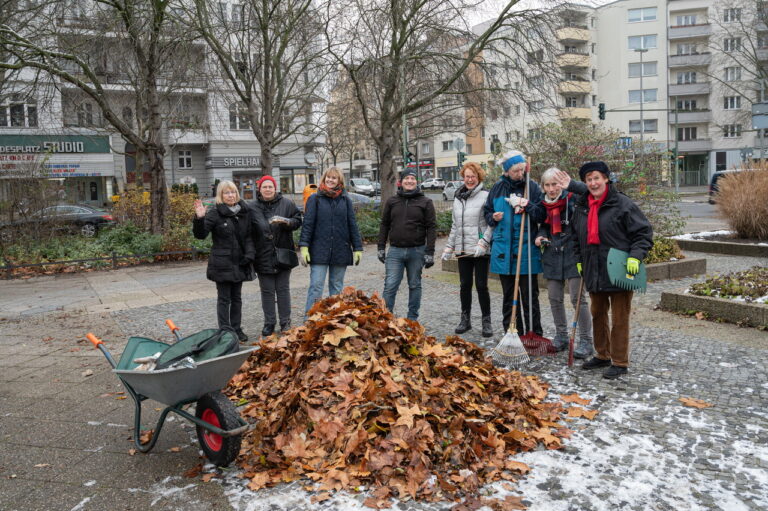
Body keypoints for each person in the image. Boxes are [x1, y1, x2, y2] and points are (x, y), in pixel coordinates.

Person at [571, 161, 653, 379]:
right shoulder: (581, 207)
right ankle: (602, 354)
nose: (593, 183)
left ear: (606, 179)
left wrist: (635, 257)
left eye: (597, 178)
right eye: (588, 179)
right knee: (597, 314)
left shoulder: (622, 204)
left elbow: (643, 233)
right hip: (593, 270)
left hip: (619, 268)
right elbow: (575, 238)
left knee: (619, 318)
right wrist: (579, 260)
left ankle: (619, 361)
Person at [483, 150, 546, 335]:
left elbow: (542, 214)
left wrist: (527, 205)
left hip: (526, 252)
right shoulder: (497, 188)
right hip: (503, 252)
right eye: (516, 171)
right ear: (506, 171)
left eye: (522, 170)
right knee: (509, 297)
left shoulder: (531, 187)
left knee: (530, 297)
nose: (520, 174)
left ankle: (534, 334)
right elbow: (487, 212)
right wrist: (492, 217)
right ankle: (512, 333)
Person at [535, 167, 593, 358]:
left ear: (562, 184)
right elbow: (544, 225)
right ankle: (561, 335)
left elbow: (590, 192)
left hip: (573, 254)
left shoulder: (573, 199)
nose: (551, 189)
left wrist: (573, 185)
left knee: (578, 299)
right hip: (552, 254)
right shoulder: (544, 204)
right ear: (543, 186)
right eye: (548, 185)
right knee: (554, 297)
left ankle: (586, 341)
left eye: (555, 184)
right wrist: (541, 236)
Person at [193, 180, 255, 342]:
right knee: (224, 299)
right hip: (222, 263)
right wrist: (199, 218)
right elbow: (201, 235)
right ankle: (225, 331)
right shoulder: (215, 213)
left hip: (240, 262)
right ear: (221, 195)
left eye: (233, 192)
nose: (231, 195)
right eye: (227, 193)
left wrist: (249, 254)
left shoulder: (244, 212)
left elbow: (249, 236)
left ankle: (236, 328)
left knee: (237, 298)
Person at [299, 167, 363, 314]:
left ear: (339, 180)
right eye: (328, 177)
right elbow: (308, 224)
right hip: (319, 250)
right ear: (324, 179)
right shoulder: (315, 199)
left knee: (336, 288)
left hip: (340, 250)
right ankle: (310, 321)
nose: (330, 180)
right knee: (316, 287)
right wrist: (304, 246)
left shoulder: (345, 200)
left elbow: (352, 224)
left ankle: (333, 321)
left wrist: (358, 248)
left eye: (334, 178)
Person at [441, 162, 494, 337]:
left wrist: (484, 243)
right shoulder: (458, 197)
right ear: (463, 178)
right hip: (463, 249)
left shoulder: (486, 196)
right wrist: (449, 247)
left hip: (479, 249)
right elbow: (455, 226)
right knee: (464, 285)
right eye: (467, 176)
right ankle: (465, 319)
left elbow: (490, 224)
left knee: (481, 286)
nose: (470, 179)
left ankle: (487, 321)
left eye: (473, 176)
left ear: (479, 178)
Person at [377, 168, 436, 321]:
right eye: (406, 179)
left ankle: (412, 319)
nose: (409, 181)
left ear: (417, 182)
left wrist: (429, 252)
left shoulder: (426, 202)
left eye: (412, 178)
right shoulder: (392, 201)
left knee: (415, 285)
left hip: (417, 251)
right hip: (395, 251)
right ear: (401, 182)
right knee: (390, 285)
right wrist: (381, 247)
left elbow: (431, 227)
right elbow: (384, 224)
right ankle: (386, 318)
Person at [250, 175, 302, 337]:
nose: (267, 189)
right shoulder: (252, 207)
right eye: (264, 187)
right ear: (260, 189)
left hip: (283, 253)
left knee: (283, 289)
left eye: (270, 186)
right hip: (262, 255)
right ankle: (269, 323)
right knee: (267, 291)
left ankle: (285, 322)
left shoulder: (287, 203)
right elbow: (248, 230)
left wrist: (286, 222)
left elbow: (298, 220)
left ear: (275, 188)